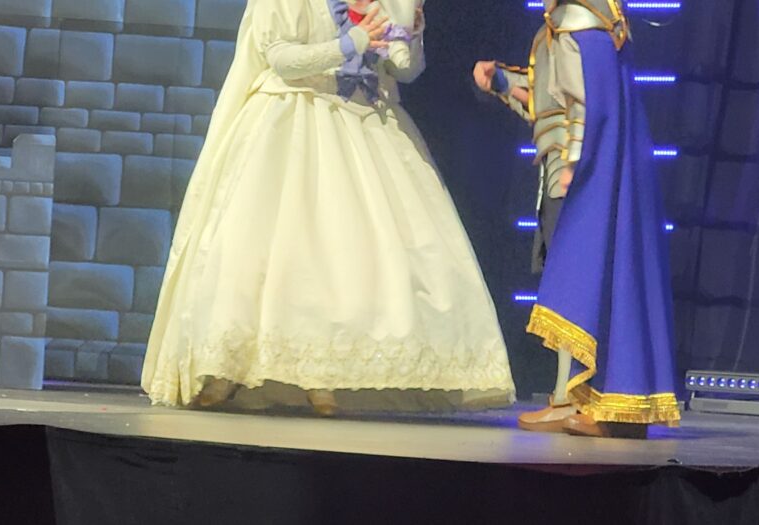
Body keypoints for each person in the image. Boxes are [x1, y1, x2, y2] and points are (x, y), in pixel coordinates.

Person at [142, 0, 516, 415]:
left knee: (352, 260)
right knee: (270, 253)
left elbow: (404, 69)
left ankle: (324, 375)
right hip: (294, 118)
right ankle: (228, 369)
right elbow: (281, 59)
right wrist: (353, 41)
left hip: (366, 124)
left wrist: (412, 32)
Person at [474, 0, 680, 437]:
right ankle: (576, 397)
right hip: (575, 169)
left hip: (577, 175)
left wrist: (575, 165)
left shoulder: (578, 27)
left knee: (579, 281)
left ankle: (587, 400)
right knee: (582, 280)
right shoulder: (574, 29)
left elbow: (585, 108)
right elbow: (550, 104)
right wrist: (502, 83)